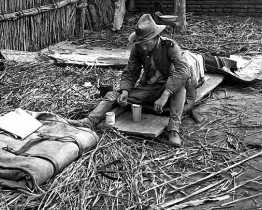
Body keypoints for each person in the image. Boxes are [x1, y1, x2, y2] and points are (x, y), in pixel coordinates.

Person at [69, 14, 195, 147]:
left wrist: (166, 94)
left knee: (179, 86)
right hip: (149, 88)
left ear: (156, 37)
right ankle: (88, 122)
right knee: (113, 96)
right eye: (141, 44)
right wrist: (125, 91)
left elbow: (183, 71)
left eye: (146, 43)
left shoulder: (170, 47)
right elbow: (131, 71)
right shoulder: (138, 47)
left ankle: (173, 130)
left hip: (170, 90)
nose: (144, 48)